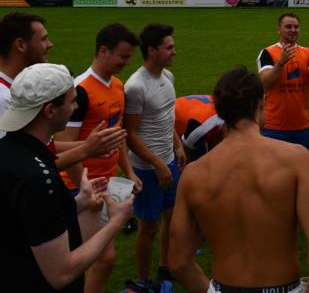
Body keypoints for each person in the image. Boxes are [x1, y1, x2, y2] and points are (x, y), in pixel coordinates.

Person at [169, 67, 309, 293]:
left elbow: (177, 261)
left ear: (220, 111)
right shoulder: (295, 159)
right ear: (261, 103)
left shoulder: (193, 174)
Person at [0, 63, 134, 292]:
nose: (76, 106)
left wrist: (78, 202)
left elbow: (28, 219)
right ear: (50, 111)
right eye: (72, 101)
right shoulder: (38, 177)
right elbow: (62, 273)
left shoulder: (11, 150)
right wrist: (116, 221)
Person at [57, 22, 142, 293]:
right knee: (99, 258)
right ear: (103, 51)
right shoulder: (80, 91)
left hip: (105, 186)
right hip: (79, 189)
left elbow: (117, 135)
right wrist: (85, 190)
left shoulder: (117, 85)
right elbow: (68, 150)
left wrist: (129, 171)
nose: (127, 63)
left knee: (100, 259)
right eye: (123, 56)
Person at [0, 12, 125, 168]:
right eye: (43, 39)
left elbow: (37, 146)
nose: (50, 44)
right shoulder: (3, 97)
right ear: (21, 45)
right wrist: (85, 151)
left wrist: (92, 145)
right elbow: (17, 165)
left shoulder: (24, 88)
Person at [124, 23, 187, 290]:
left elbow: (166, 118)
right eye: (169, 47)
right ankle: (144, 279)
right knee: (148, 227)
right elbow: (130, 135)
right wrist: (158, 164)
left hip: (168, 161)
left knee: (171, 218)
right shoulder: (136, 87)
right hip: (147, 169)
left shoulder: (167, 77)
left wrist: (178, 146)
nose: (174, 52)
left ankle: (164, 266)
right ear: (152, 50)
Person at [256, 12, 309, 151]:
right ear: (279, 29)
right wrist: (281, 62)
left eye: (296, 27)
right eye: (288, 26)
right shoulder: (268, 53)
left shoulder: (307, 53)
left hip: (300, 127)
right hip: (273, 127)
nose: (293, 30)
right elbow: (265, 83)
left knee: (300, 164)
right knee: (273, 165)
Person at [174, 95, 224, 161]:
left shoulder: (223, 111)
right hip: (171, 125)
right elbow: (184, 151)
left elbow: (214, 146)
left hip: (192, 118)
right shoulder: (202, 127)